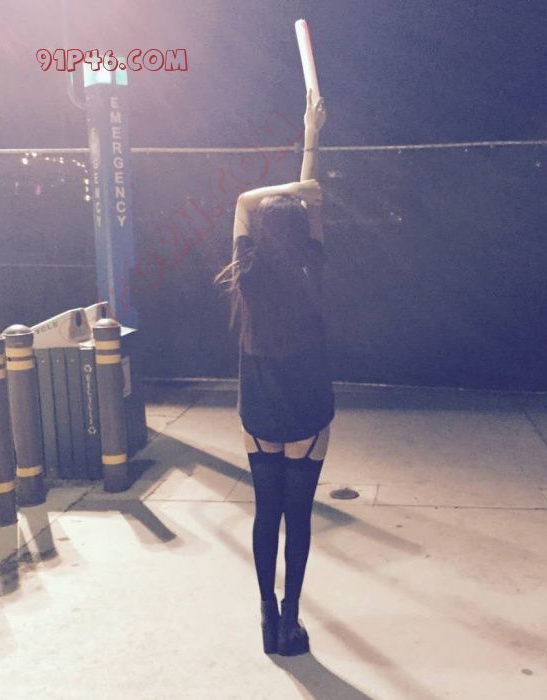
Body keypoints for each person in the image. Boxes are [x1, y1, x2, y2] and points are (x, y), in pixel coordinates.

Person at [215, 89, 333, 656]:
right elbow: (312, 198)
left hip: (259, 410)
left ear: (262, 235)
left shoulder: (247, 274)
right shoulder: (314, 269)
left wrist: (291, 181)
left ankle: (266, 616)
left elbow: (245, 200)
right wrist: (312, 138)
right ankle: (290, 620)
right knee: (299, 519)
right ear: (302, 234)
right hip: (307, 408)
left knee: (266, 515)